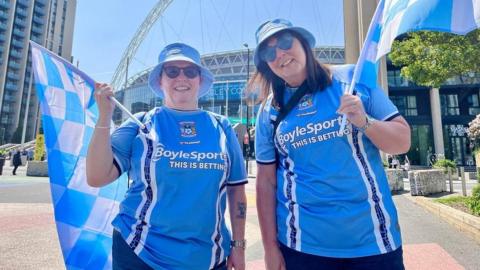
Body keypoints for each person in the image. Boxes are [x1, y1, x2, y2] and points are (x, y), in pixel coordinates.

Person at [251, 19, 411, 270]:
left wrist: (364, 121)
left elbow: (402, 142)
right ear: (266, 65)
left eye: (284, 42)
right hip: (303, 247)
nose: (280, 53)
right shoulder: (269, 110)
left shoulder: (352, 81)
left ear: (303, 42)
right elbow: (266, 182)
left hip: (373, 242)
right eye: (269, 52)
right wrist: (270, 248)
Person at [86, 43, 247, 270]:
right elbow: (96, 176)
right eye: (172, 71)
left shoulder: (222, 127)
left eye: (190, 71)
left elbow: (236, 189)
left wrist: (238, 245)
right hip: (140, 253)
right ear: (160, 80)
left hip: (207, 257)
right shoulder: (140, 124)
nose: (182, 77)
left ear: (200, 80)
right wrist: (104, 117)